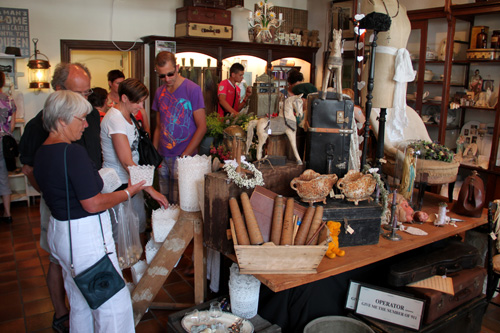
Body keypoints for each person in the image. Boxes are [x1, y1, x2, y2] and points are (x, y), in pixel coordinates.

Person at [33, 90, 145, 333]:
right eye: (81, 119)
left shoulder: (42, 152)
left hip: (61, 232)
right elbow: (92, 203)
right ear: (62, 120)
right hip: (84, 238)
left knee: (81, 302)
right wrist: (128, 192)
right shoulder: (71, 153)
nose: (86, 125)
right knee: (114, 307)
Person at [19, 62, 102, 333]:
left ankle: (90, 311)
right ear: (58, 90)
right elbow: (29, 168)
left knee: (92, 258)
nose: (84, 100)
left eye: (87, 93)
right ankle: (61, 313)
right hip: (59, 203)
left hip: (91, 199)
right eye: (78, 94)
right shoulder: (38, 125)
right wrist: (54, 194)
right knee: (59, 260)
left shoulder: (90, 117)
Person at [101, 78, 168, 241]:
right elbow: (126, 162)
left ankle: (136, 264)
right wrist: (151, 190)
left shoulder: (128, 116)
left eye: (142, 101)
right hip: (118, 183)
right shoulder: (115, 120)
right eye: (137, 102)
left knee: (137, 226)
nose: (140, 106)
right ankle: (121, 266)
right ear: (124, 98)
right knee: (120, 235)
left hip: (134, 180)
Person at [152, 51, 207, 203]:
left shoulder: (192, 89)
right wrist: (154, 155)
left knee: (182, 202)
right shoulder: (159, 92)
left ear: (177, 67)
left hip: (184, 156)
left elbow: (202, 127)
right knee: (165, 202)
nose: (167, 79)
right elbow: (158, 126)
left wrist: (184, 156)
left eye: (170, 74)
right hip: (163, 156)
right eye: (162, 76)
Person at [107, 69, 150, 134]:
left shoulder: (131, 104)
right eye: (118, 83)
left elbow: (146, 127)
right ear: (110, 83)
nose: (121, 86)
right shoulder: (107, 103)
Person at [0, 71, 16, 224]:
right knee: (4, 177)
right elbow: (12, 125)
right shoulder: (9, 100)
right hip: (3, 142)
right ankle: (7, 213)